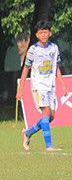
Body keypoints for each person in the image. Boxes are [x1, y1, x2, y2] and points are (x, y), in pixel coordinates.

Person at [19, 20, 68, 152]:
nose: (43, 35)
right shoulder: (33, 50)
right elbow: (26, 69)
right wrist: (21, 89)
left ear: (50, 33)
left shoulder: (54, 48)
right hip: (38, 85)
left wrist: (63, 84)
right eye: (41, 33)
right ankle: (49, 145)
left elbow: (56, 67)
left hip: (50, 86)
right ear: (37, 35)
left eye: (45, 32)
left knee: (51, 116)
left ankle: (28, 133)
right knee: (46, 111)